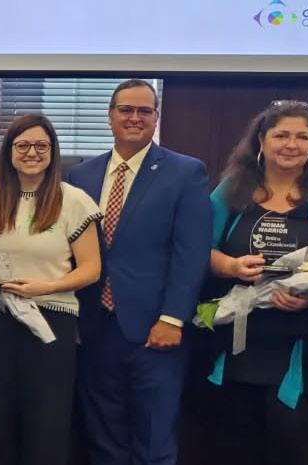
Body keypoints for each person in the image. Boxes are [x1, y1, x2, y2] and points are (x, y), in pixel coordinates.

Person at [200, 101, 308, 465]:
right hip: (235, 342)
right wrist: (230, 266)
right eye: (281, 135)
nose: (291, 144)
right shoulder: (231, 190)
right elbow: (198, 250)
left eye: (302, 137)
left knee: (293, 443)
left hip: (303, 343)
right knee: (233, 445)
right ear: (262, 140)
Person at [65, 79, 211, 465]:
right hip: (94, 327)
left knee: (153, 440)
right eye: (126, 110)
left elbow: (191, 253)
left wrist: (172, 318)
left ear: (156, 117)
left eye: (144, 111)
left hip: (154, 329)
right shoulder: (81, 175)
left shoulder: (185, 172)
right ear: (110, 116)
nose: (135, 118)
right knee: (103, 438)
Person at [0, 114, 101, 465]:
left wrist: (46, 287)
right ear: (9, 152)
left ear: (53, 152)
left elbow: (92, 269)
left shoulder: (74, 200)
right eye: (22, 145)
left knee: (46, 422)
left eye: (41, 145)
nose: (32, 152)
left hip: (51, 321)